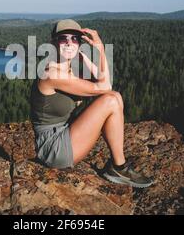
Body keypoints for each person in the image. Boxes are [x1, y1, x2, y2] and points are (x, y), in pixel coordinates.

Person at [30, 19, 153, 188]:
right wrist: (101, 50)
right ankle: (118, 168)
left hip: (66, 130)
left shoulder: (69, 68)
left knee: (115, 98)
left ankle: (118, 167)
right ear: (53, 42)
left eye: (74, 39)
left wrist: (84, 57)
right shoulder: (52, 74)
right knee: (111, 99)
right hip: (54, 147)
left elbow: (103, 80)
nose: (69, 43)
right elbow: (105, 86)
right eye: (63, 38)